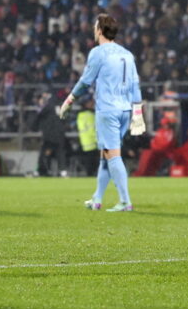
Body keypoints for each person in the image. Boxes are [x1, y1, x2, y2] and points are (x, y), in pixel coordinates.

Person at [59, 13, 141, 212]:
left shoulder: (98, 52)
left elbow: (85, 81)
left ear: (100, 30)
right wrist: (138, 113)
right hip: (125, 110)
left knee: (113, 155)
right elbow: (135, 85)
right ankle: (97, 198)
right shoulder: (127, 54)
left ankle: (125, 201)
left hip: (108, 110)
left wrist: (69, 100)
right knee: (106, 154)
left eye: (95, 27)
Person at [34, 91, 71, 177]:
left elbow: (39, 116)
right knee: (60, 152)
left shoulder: (47, 105)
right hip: (60, 133)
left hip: (49, 134)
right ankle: (63, 170)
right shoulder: (58, 105)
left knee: (44, 152)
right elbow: (65, 118)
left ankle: (40, 170)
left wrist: (34, 127)